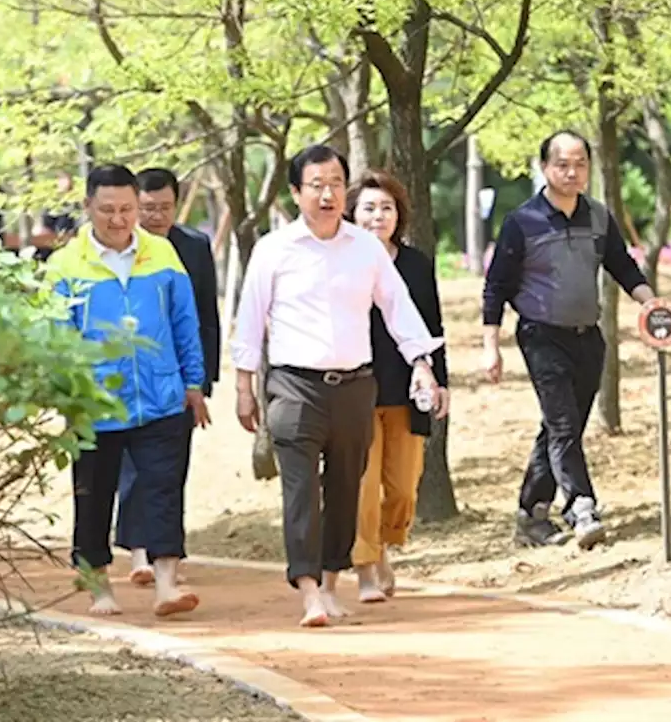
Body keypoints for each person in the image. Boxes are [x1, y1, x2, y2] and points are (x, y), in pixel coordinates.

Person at [231, 144, 443, 628]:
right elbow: (250, 320)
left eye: (334, 184)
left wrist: (421, 362)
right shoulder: (274, 250)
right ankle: (307, 590)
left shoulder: (364, 248)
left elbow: (397, 306)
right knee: (301, 488)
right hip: (293, 386)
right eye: (316, 185)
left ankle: (329, 581)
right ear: (296, 193)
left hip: (354, 386)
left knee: (347, 487)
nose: (327, 194)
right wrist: (244, 385)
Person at [46, 163, 209, 618]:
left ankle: (166, 586)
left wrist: (193, 382)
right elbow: (57, 340)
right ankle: (99, 589)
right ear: (87, 207)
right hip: (95, 404)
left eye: (127, 209)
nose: (118, 220)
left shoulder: (162, 255)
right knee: (93, 498)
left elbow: (185, 323)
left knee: (162, 490)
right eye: (107, 210)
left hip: (161, 397)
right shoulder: (65, 266)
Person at [482, 131, 659, 551]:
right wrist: (491, 344)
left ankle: (531, 513)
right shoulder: (521, 222)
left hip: (588, 338)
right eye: (562, 164)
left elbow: (622, 266)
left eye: (580, 163)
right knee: (563, 425)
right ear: (544, 168)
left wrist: (651, 303)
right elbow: (496, 286)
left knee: (563, 427)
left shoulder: (598, 216)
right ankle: (581, 508)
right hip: (541, 335)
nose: (572, 171)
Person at [346, 170, 450, 604]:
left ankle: (385, 544)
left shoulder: (417, 264)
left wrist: (439, 381)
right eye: (369, 207)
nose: (378, 216)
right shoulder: (343, 261)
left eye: (386, 208)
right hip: (356, 387)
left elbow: (432, 325)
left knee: (405, 487)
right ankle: (366, 566)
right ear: (353, 214)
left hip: (406, 390)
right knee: (364, 486)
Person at [116, 167, 221, 586]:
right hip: (129, 375)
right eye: (148, 209)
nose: (157, 217)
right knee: (131, 466)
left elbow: (206, 316)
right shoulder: (119, 248)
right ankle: (139, 550)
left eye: (165, 208)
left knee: (170, 467)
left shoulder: (194, 246)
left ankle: (163, 547)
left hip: (179, 376)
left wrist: (203, 380)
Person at [34, 170, 81, 262]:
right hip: (51, 236)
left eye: (64, 181)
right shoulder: (51, 201)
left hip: (68, 237)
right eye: (60, 181)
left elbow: (76, 221)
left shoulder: (74, 201)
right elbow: (46, 220)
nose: (61, 184)